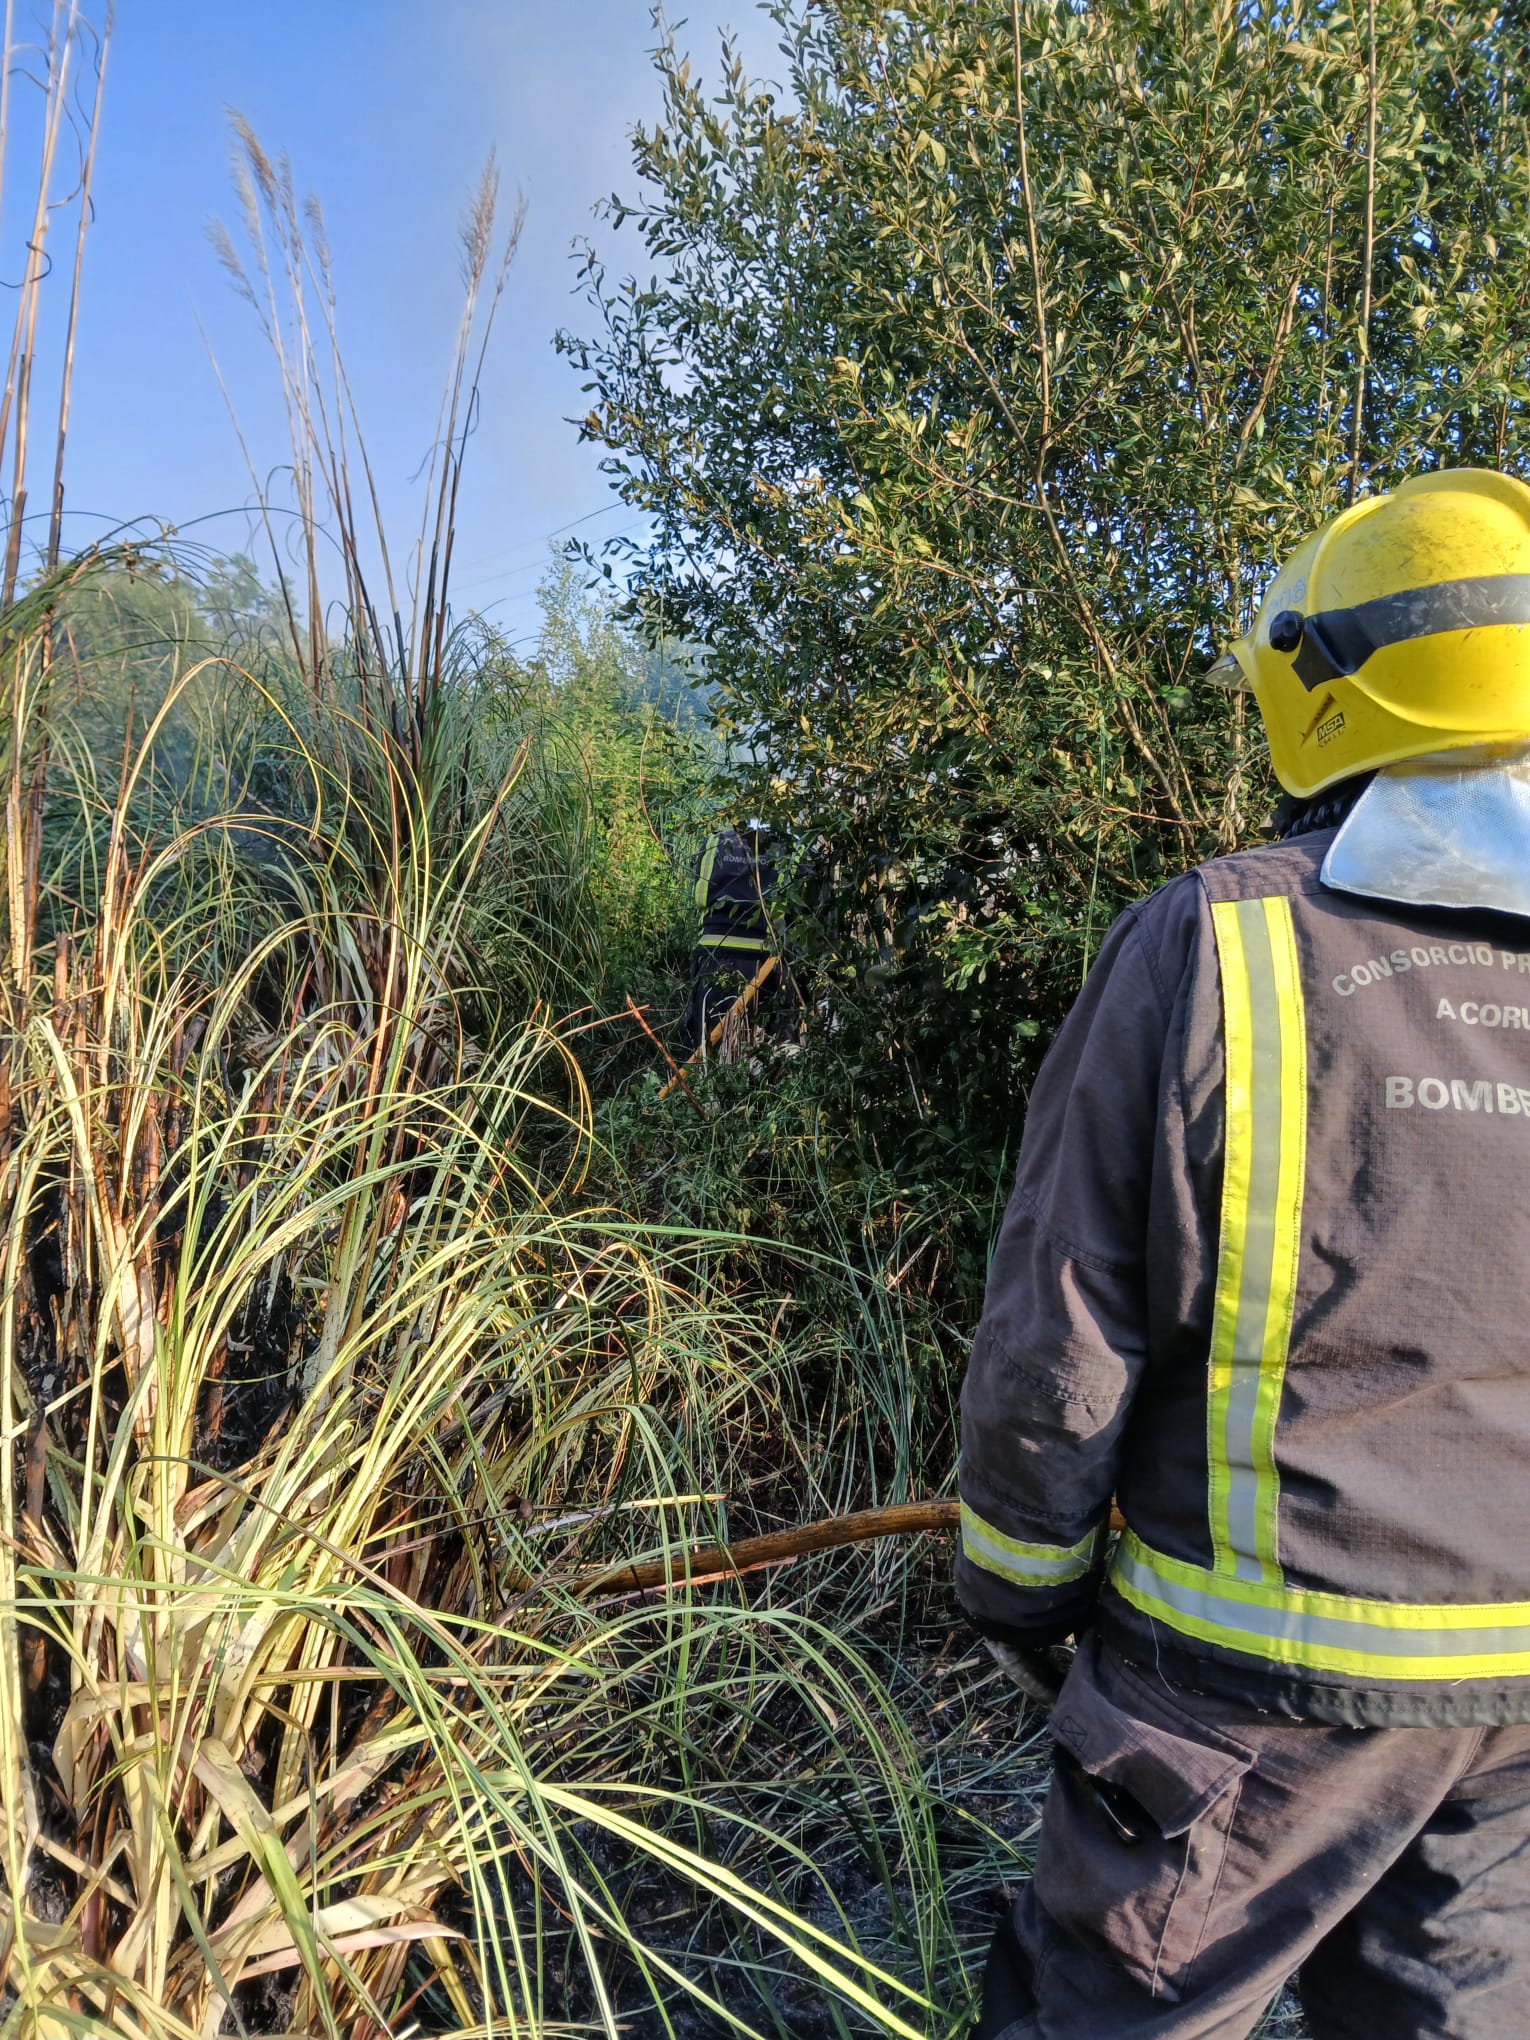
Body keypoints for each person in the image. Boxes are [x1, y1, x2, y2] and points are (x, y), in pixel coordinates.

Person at [957, 467, 1530, 2039]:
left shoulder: (1218, 945)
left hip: (1239, 1707)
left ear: (1318, 695)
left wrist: (1015, 1582)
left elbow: (1062, 1323)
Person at [681, 822, 781, 1052]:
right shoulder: (785, 847)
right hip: (762, 963)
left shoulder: (716, 842)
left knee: (705, 1042)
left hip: (712, 956)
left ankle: (701, 1084)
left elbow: (700, 898)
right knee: (759, 1046)